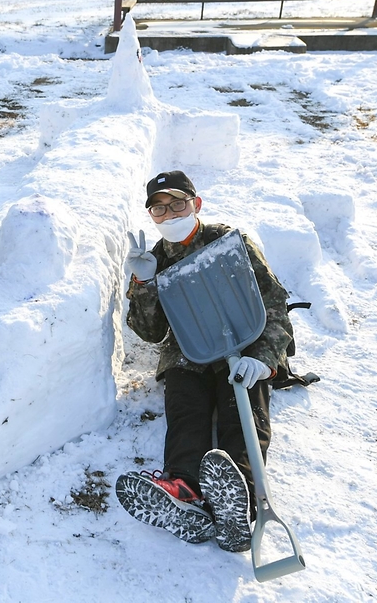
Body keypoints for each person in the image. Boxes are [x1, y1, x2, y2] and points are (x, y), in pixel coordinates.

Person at [114, 170, 293, 553]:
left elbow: (274, 301)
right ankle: (184, 489)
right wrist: (143, 284)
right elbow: (150, 331)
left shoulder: (228, 243)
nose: (170, 214)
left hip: (244, 342)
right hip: (189, 351)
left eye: (177, 204)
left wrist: (264, 358)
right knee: (186, 411)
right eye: (159, 209)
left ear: (196, 204)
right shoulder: (155, 260)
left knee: (240, 409)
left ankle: (239, 494)